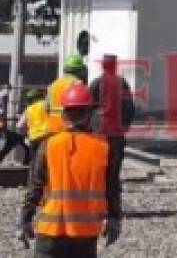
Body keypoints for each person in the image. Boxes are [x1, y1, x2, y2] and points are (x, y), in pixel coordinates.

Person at [19, 82, 122, 256]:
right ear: (90, 114)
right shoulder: (104, 147)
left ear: (64, 114)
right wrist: (114, 219)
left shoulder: (49, 144)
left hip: (50, 229)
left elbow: (35, 186)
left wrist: (25, 219)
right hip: (86, 232)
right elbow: (112, 187)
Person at [90, 54, 136, 185]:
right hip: (116, 132)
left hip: (98, 132)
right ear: (115, 66)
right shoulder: (122, 83)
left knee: (98, 168)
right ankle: (113, 202)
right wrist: (126, 125)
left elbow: (87, 108)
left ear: (103, 66)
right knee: (113, 173)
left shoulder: (96, 83)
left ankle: (99, 198)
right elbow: (129, 107)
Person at [45, 55, 88, 135]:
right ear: (80, 70)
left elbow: (46, 108)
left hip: (52, 127)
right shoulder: (77, 83)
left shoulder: (53, 85)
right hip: (68, 127)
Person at [15, 89, 49, 168]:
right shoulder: (46, 106)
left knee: (34, 160)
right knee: (46, 160)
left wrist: (26, 133)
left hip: (34, 138)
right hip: (46, 136)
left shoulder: (29, 109)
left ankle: (33, 177)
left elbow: (19, 125)